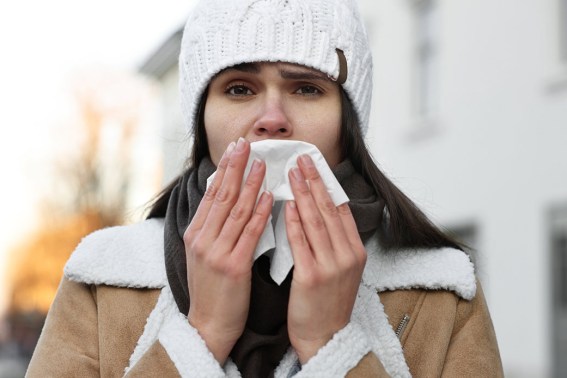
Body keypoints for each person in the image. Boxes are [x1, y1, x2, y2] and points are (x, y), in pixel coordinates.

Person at [27, 0, 503, 376]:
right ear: (202, 118)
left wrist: (332, 348)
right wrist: (203, 336)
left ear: (348, 120)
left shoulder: (441, 291)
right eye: (239, 89)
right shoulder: (102, 280)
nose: (272, 120)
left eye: (306, 89)